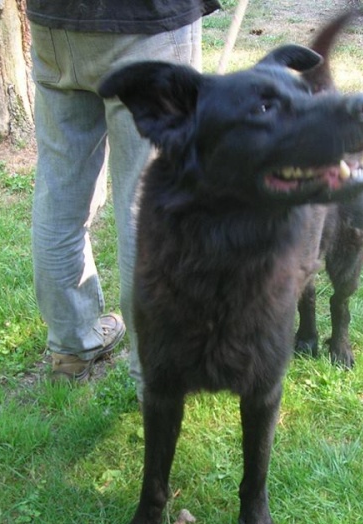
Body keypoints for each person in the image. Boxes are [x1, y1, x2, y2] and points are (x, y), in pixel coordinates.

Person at [26, 1, 221, 388]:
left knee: (60, 189)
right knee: (148, 204)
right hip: (145, 23)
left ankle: (71, 345)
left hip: (57, 24)